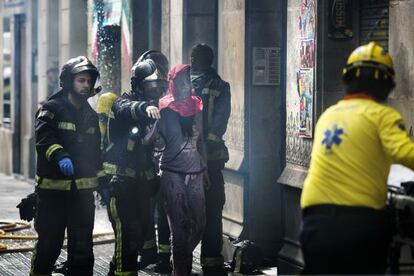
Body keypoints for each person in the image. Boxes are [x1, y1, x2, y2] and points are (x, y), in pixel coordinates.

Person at [299, 41, 414, 274]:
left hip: (315, 223)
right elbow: (406, 153)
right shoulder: (382, 115)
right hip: (359, 224)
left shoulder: (328, 116)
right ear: (387, 85)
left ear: (347, 80)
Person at [31, 56, 104, 276]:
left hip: (82, 197)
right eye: (81, 80)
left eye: (89, 81)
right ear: (68, 81)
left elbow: (95, 153)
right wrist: (60, 155)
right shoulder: (51, 109)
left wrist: (103, 181)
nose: (86, 85)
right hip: (52, 195)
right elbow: (44, 140)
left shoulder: (90, 115)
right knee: (49, 246)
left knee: (82, 250)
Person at [102, 50, 168, 276]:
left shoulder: (155, 111)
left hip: (139, 186)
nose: (156, 91)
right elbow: (125, 109)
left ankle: (115, 271)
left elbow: (147, 155)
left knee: (137, 236)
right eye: (151, 86)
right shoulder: (124, 102)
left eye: (159, 86)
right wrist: (143, 107)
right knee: (128, 236)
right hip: (120, 185)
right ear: (139, 85)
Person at [157, 64, 207, 276]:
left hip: (196, 172)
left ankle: (181, 258)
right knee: (179, 230)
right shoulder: (165, 109)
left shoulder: (197, 107)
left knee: (199, 226)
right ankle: (181, 269)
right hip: (172, 173)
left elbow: (201, 141)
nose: (186, 85)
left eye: (188, 80)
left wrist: (207, 171)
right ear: (173, 84)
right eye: (181, 81)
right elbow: (158, 142)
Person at [190, 43, 231, 275]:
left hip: (183, 161)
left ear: (194, 59)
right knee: (213, 209)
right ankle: (212, 262)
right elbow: (222, 118)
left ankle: (176, 259)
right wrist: (209, 140)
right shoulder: (220, 86)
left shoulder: (183, 84)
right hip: (212, 160)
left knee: (181, 211)